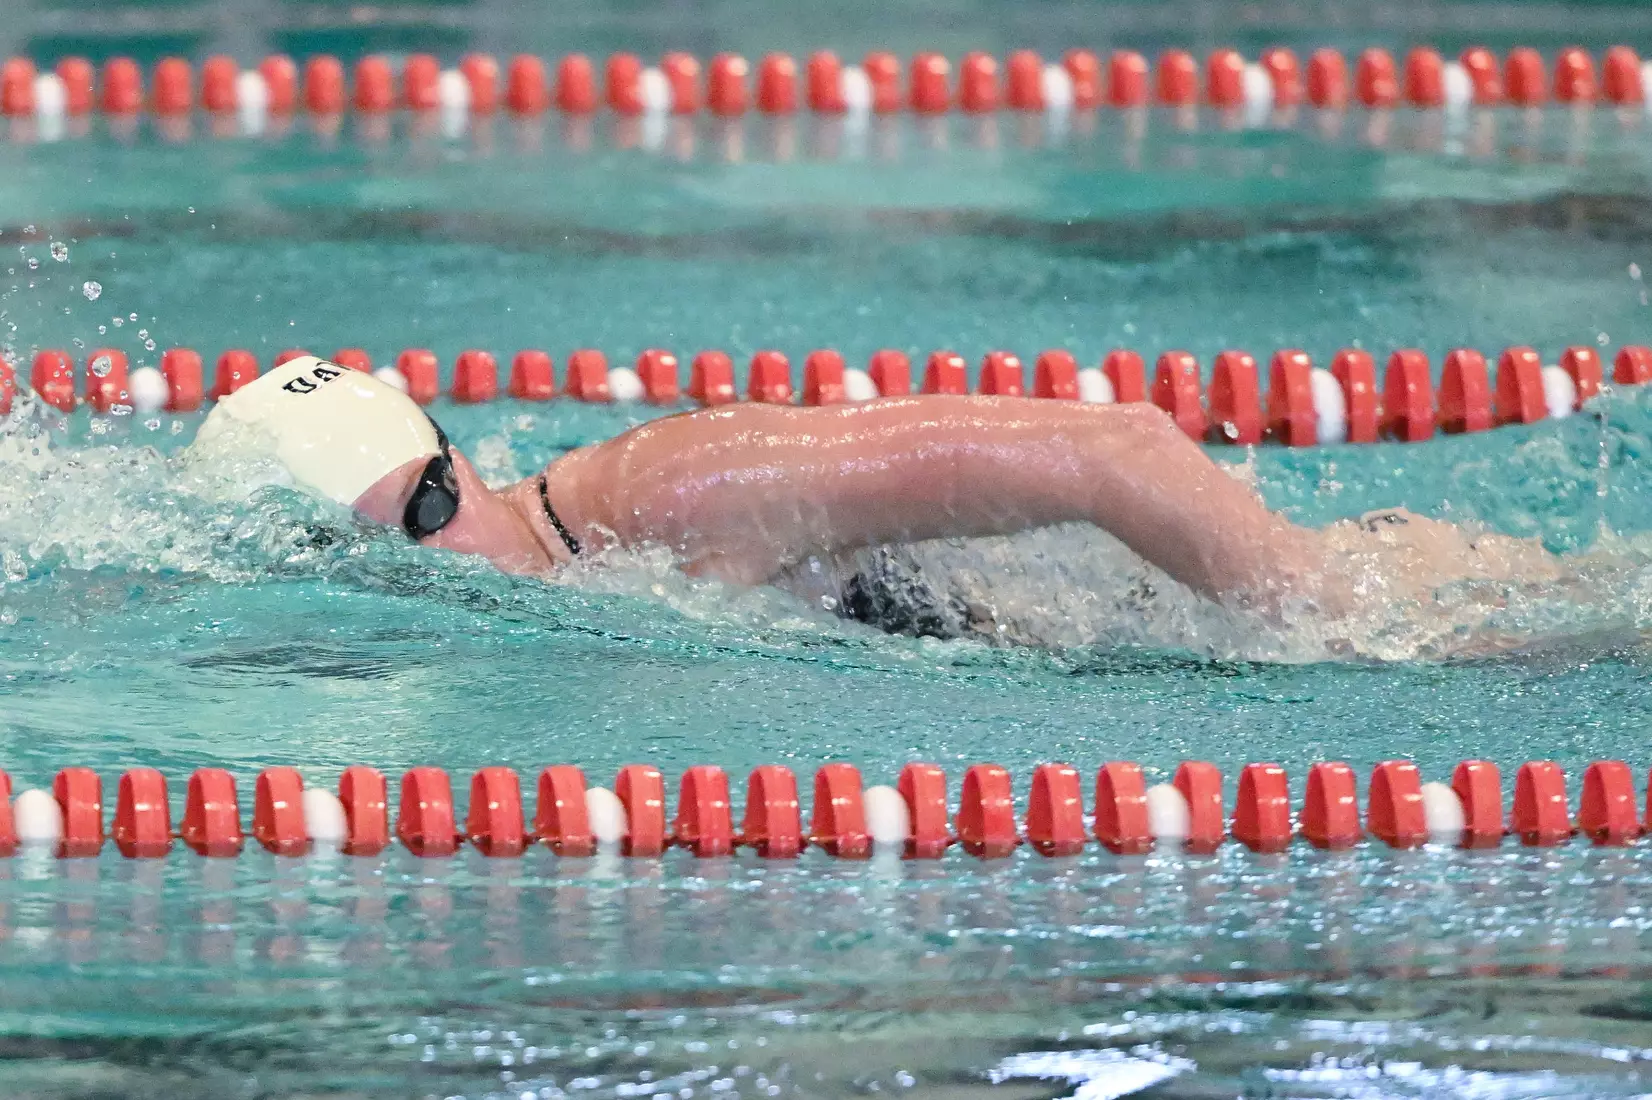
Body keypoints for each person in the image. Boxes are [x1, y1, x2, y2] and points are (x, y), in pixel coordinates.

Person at [192, 355, 1565, 639]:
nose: (435, 563)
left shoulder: (689, 491)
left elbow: (1123, 449)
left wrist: (1303, 611)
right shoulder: (578, 571)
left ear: (461, 460)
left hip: (1404, 611)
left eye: (431, 509)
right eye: (384, 554)